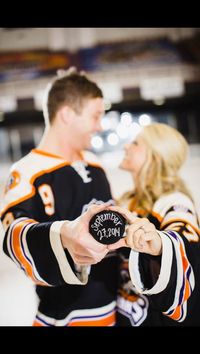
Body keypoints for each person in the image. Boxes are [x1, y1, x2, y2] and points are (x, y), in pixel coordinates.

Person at [0, 67, 118, 326]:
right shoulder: (25, 171)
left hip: (113, 309)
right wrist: (64, 235)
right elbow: (13, 238)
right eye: (95, 116)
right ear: (66, 114)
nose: (100, 126)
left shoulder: (94, 163)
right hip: (64, 316)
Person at [108, 123, 200, 326]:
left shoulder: (175, 201)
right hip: (127, 312)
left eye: (135, 143)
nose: (126, 147)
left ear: (155, 157)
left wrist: (158, 242)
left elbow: (185, 244)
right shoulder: (127, 201)